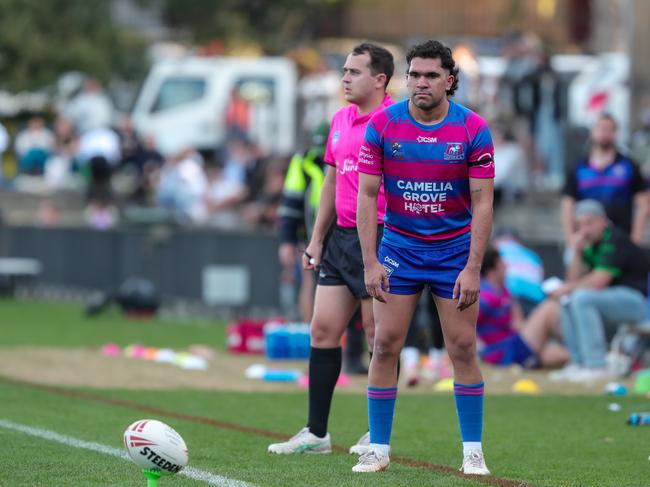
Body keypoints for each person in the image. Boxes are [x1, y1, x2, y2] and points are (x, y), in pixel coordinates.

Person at [354, 39, 494, 475]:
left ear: (450, 80)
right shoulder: (382, 126)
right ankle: (377, 449)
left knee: (463, 347)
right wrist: (370, 261)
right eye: (414, 74)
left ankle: (473, 452)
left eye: (432, 75)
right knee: (383, 345)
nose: (421, 82)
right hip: (399, 249)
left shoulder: (473, 129)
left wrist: (473, 267)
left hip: (454, 252)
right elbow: (366, 195)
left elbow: (484, 203)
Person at [267, 43, 394, 456]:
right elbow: (331, 183)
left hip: (380, 238)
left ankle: (377, 434)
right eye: (344, 70)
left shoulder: (396, 122)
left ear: (380, 79)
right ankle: (316, 433)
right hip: (339, 240)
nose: (344, 78)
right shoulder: (339, 119)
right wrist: (316, 239)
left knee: (380, 337)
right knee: (322, 330)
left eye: (354, 72)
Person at [551, 199, 649, 383]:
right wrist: (577, 252)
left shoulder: (615, 238)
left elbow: (600, 280)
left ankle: (596, 365)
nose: (585, 229)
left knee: (580, 297)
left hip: (637, 303)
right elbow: (574, 279)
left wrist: (568, 288)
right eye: (580, 225)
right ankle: (578, 362)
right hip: (611, 300)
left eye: (589, 223)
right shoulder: (590, 244)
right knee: (568, 299)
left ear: (603, 220)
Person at [562, 113, 649, 247]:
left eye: (608, 129)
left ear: (615, 133)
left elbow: (643, 203)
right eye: (600, 128)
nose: (603, 133)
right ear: (593, 131)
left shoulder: (628, 166)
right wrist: (570, 237)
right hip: (586, 240)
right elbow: (568, 204)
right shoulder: (579, 168)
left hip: (620, 239)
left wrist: (636, 237)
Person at [478, 247, 568, 368]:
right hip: (503, 350)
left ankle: (530, 362)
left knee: (564, 355)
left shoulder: (504, 290)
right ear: (491, 271)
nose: (506, 267)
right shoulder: (484, 295)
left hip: (516, 343)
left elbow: (518, 322)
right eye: (502, 264)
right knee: (550, 307)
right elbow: (467, 324)